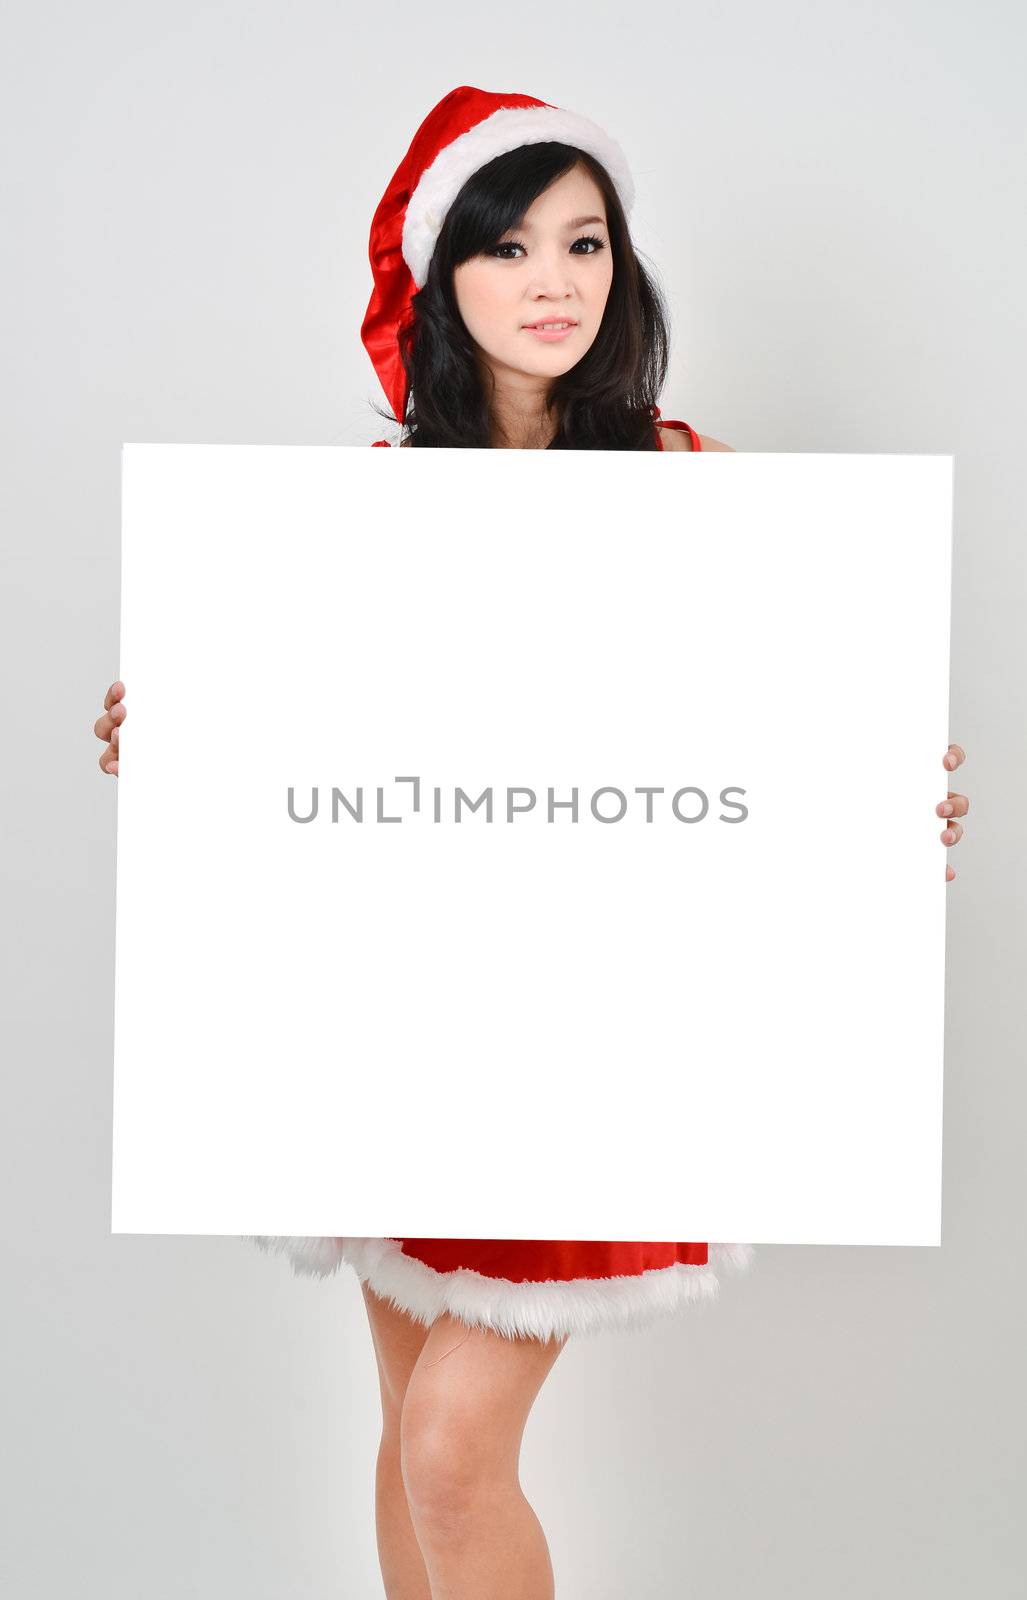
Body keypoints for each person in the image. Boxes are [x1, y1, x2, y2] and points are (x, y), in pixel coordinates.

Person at [93, 84, 970, 1600]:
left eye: (585, 241)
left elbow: (775, 760)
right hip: (404, 1029)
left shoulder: (688, 488)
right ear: (445, 279)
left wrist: (878, 803)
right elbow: (310, 768)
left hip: (599, 1042)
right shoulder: (365, 513)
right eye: (507, 248)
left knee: (449, 1449)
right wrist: (182, 739)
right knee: (406, 1444)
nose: (554, 282)